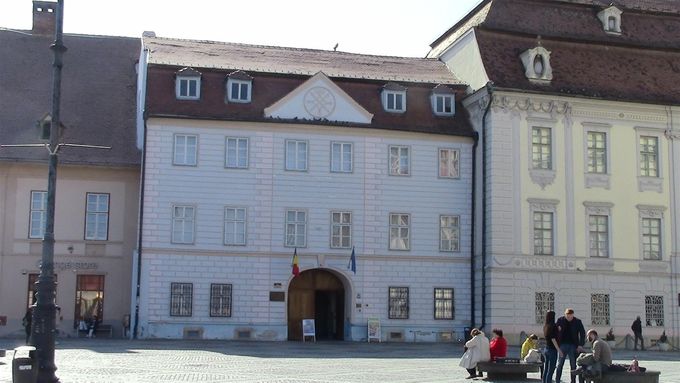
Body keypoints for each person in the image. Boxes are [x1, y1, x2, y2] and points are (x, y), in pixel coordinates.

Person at [555, 308, 586, 383]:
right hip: (562, 344)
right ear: (565, 315)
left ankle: (573, 381)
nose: (569, 318)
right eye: (568, 316)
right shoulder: (560, 320)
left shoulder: (577, 321)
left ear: (573, 315)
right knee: (560, 364)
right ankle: (557, 380)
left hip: (573, 345)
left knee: (573, 364)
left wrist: (580, 345)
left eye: (571, 316)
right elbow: (554, 332)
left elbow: (582, 333)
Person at [543, 310, 564, 383]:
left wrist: (558, 330)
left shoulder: (545, 326)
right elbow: (553, 339)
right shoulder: (553, 326)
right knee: (551, 370)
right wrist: (559, 350)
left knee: (546, 369)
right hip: (552, 350)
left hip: (546, 348)